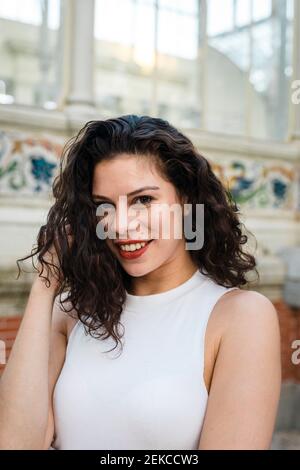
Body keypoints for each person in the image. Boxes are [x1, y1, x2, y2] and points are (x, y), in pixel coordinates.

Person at [0, 115, 281, 450]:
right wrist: (46, 284)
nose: (120, 226)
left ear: (186, 201)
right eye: (103, 206)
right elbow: (14, 443)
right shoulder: (71, 312)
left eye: (143, 200)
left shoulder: (240, 317)